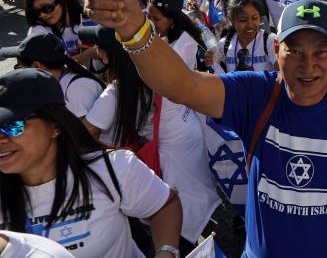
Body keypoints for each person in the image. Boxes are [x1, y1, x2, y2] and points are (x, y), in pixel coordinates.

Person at [76, 0, 327, 257]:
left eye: (321, 52)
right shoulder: (256, 93)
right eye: (295, 51)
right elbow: (182, 85)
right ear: (276, 48)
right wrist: (133, 27)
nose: (308, 66)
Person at [0, 69, 183, 257]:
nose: (1, 139)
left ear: (55, 125)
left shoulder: (113, 168)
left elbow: (164, 205)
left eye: (12, 125)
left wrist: (165, 252)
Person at [79, 25, 221, 252]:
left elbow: (84, 133)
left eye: (98, 48)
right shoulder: (159, 69)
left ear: (107, 55)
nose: (96, 52)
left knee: (175, 226)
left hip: (169, 165)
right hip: (190, 144)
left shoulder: (117, 92)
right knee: (191, 214)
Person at [0, 32, 104, 122]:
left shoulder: (76, 89)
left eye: (19, 67)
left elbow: (87, 135)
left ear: (36, 66)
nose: (17, 72)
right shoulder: (59, 80)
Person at [207, 0, 272, 73]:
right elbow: (213, 64)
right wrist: (209, 61)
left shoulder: (269, 41)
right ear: (232, 21)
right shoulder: (224, 44)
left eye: (254, 18)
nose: (250, 25)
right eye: (243, 20)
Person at [24, 0, 88, 60]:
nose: (42, 15)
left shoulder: (90, 22)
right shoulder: (39, 31)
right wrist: (90, 54)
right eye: (36, 12)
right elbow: (51, 70)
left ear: (63, 0)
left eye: (46, 8)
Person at [148, 0, 205, 69]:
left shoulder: (185, 44)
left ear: (172, 20)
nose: (150, 22)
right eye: (149, 16)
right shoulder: (161, 34)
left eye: (156, 19)